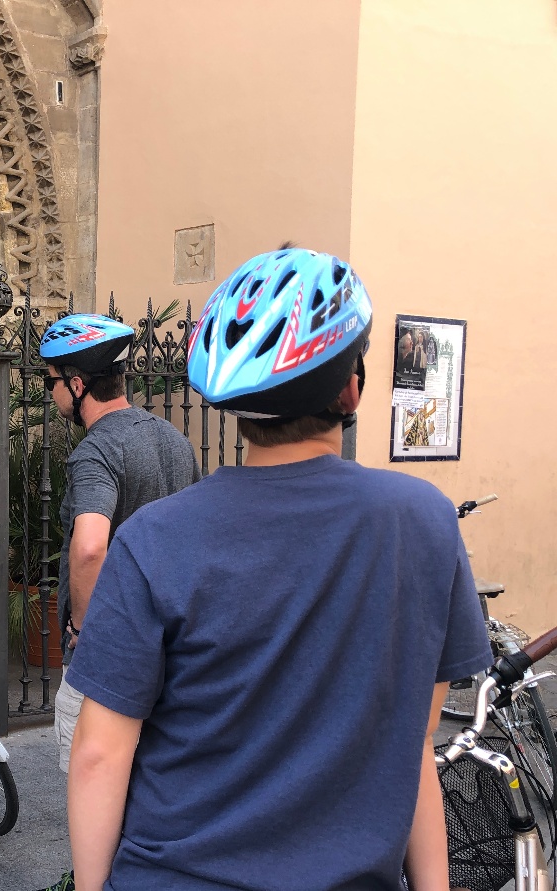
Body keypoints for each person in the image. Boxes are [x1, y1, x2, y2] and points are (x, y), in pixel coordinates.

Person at [65, 249, 490, 891]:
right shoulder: (424, 520)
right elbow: (413, 744)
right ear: (351, 388)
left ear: (232, 403)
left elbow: (100, 755)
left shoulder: (154, 540)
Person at [33, 313, 201, 891]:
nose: (50, 390)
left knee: (96, 783)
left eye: (51, 379)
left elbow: (88, 547)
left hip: (114, 656)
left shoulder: (96, 451)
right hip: (173, 650)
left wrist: (84, 626)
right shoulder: (176, 444)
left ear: (77, 383)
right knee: (151, 779)